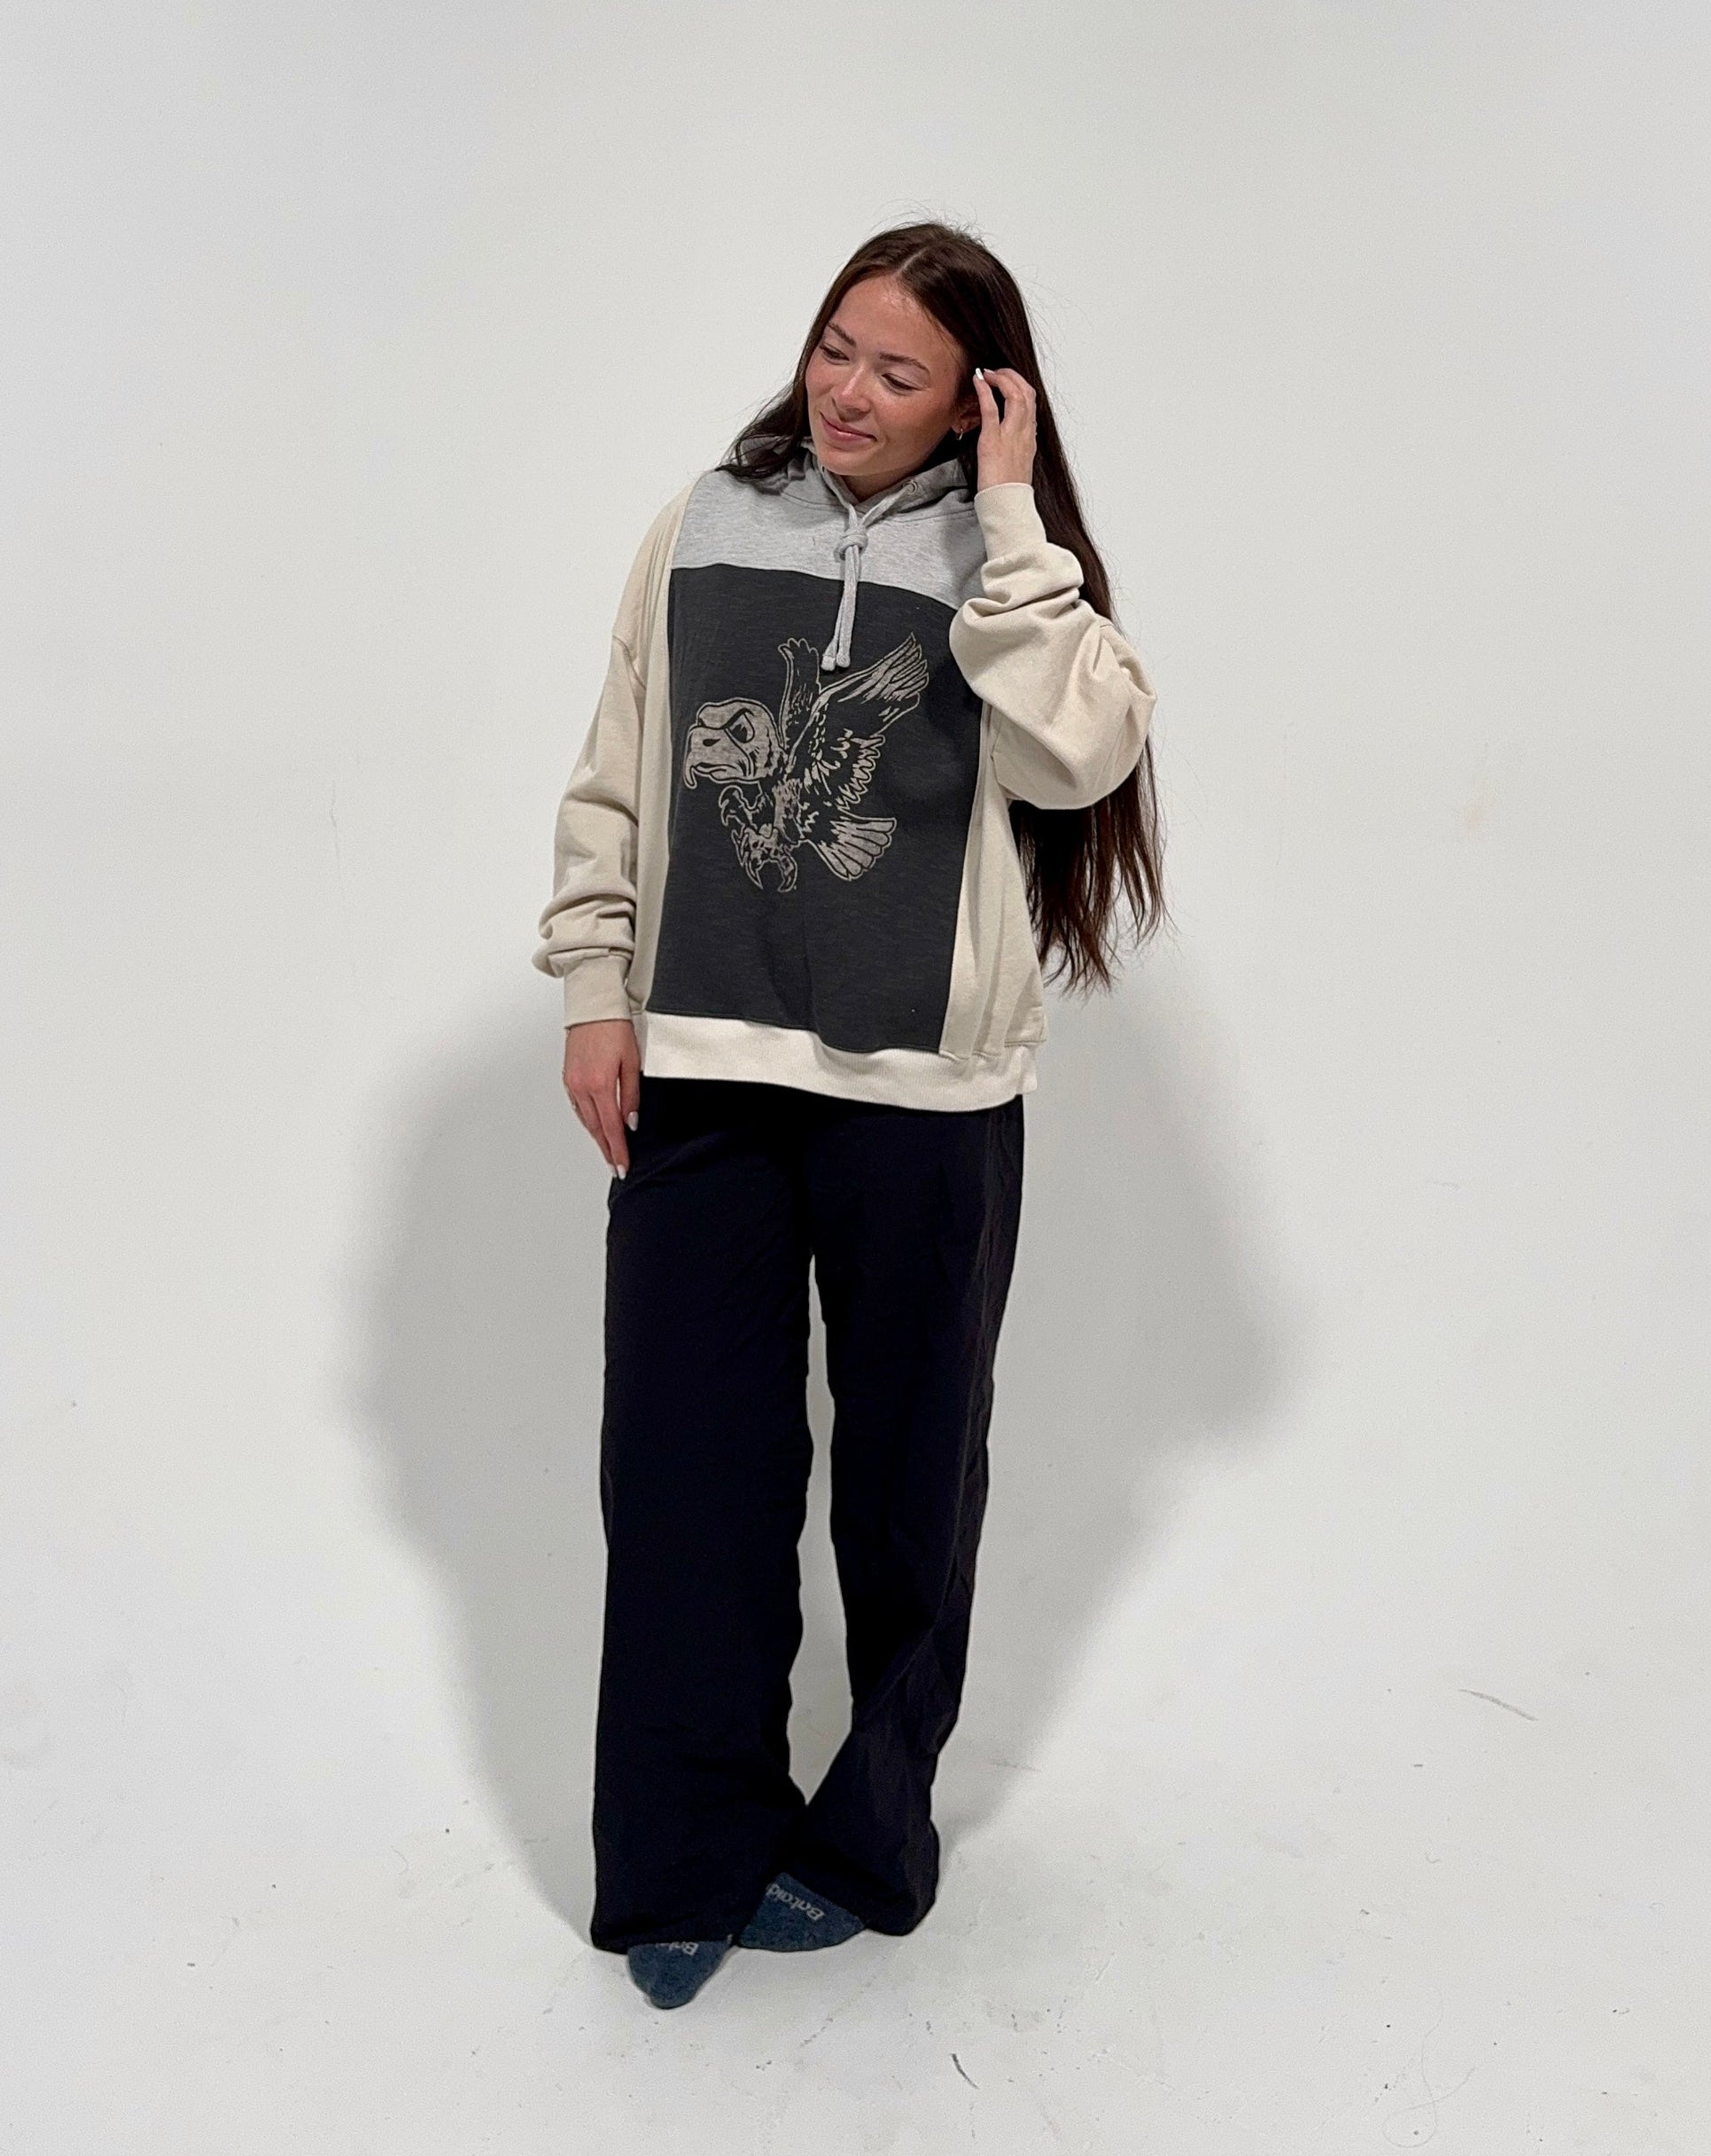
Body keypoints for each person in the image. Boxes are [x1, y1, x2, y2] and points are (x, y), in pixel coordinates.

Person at [531, 219, 1167, 2010]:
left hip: (923, 1096)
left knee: (905, 1487)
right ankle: (681, 1853)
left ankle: (869, 1838)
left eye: (898, 372)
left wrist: (1014, 521)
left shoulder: (1006, 563)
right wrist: (594, 986)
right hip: (702, 1074)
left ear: (975, 400)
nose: (848, 393)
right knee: (684, 1475)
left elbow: (1085, 753)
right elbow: (614, 768)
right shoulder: (702, 521)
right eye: (835, 348)